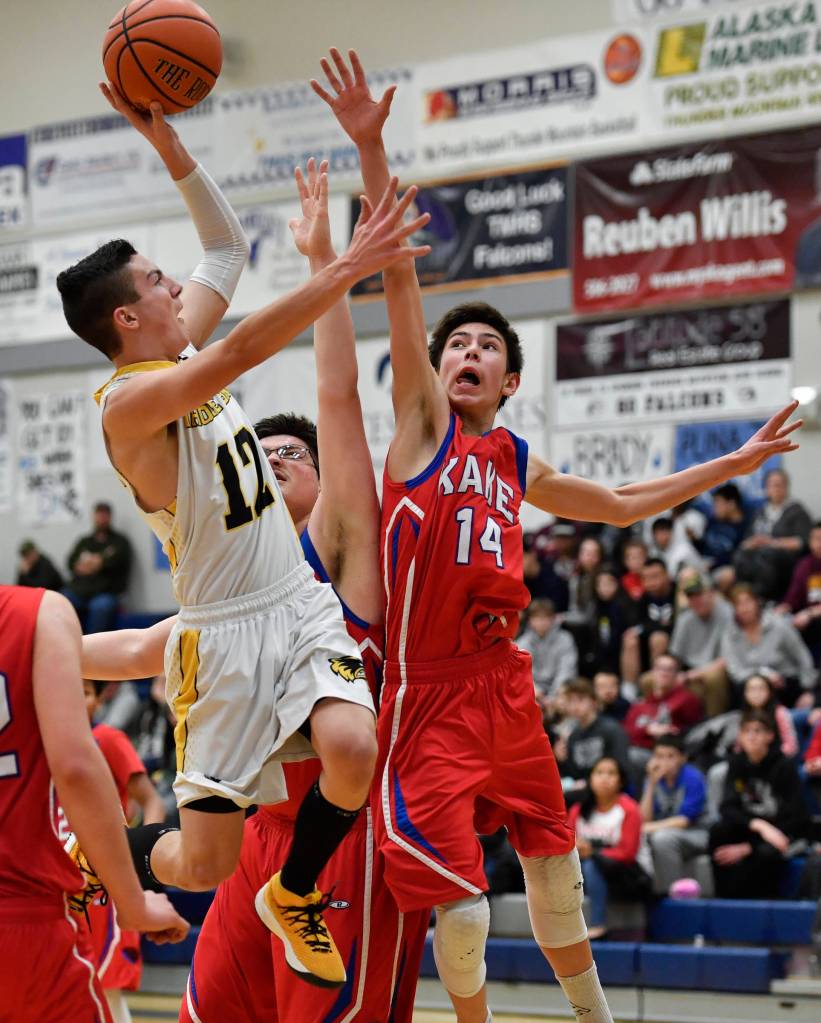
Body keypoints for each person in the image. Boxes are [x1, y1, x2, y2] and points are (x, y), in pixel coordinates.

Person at [312, 47, 800, 1023]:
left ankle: (594, 1020)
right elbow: (401, 282)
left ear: (507, 380)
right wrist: (371, 149)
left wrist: (731, 467)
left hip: (506, 690)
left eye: (484, 347)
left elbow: (619, 506)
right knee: (459, 909)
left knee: (554, 876)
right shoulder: (419, 426)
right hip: (428, 698)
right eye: (456, 344)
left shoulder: (512, 461)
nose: (464, 353)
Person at [57, 83, 429, 990]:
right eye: (155, 281)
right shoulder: (132, 404)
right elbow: (238, 356)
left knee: (351, 750)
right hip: (218, 636)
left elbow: (226, 245)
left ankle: (295, 889)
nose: (176, 284)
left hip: (294, 604)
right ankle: (89, 853)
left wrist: (169, 146)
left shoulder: (173, 345)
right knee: (205, 864)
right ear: (126, 319)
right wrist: (341, 271)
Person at [0, 586, 188, 1023]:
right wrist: (134, 902)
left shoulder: (110, 738)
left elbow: (138, 649)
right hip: (24, 914)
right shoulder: (36, 615)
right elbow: (78, 770)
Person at [80, 680, 166, 1023]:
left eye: (85, 691)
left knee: (104, 983)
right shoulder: (43, 739)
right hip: (59, 878)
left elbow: (153, 803)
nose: (73, 696)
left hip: (101, 877)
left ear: (102, 699)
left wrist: (140, 864)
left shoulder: (109, 740)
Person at [709, 709, 809, 899]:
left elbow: (797, 817)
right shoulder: (736, 763)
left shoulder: (784, 766)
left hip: (783, 832)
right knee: (718, 832)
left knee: (766, 853)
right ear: (739, 736)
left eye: (758, 731)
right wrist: (759, 826)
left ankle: (764, 905)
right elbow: (727, 807)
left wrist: (750, 847)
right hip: (757, 829)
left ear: (770, 736)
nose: (752, 737)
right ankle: (721, 900)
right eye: (747, 731)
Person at [567, 758, 653, 941]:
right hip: (591, 865)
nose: (604, 778)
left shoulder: (629, 810)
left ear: (621, 781)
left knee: (592, 865)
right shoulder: (578, 809)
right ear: (590, 778)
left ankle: (598, 923)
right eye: (599, 773)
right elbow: (567, 842)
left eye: (611, 773)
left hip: (632, 874)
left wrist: (593, 853)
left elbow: (628, 854)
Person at [720, 583, 817, 708]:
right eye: (738, 604)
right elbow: (735, 671)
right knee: (747, 689)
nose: (744, 608)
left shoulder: (778, 625)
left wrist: (808, 691)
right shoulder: (729, 634)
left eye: (748, 602)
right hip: (751, 689)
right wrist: (763, 674)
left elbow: (802, 657)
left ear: (756, 602)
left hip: (786, 684)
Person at [639, 736, 708, 896]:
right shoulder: (653, 779)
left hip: (698, 832)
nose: (664, 762)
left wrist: (646, 828)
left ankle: (673, 895)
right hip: (665, 831)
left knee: (662, 838)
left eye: (670, 756)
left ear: (682, 758)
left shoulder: (693, 777)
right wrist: (651, 784)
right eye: (659, 756)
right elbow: (644, 819)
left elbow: (684, 820)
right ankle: (645, 895)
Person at [735, 468, 812, 601]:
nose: (776, 488)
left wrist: (771, 543)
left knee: (767, 555)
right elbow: (746, 540)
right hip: (758, 557)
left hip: (784, 561)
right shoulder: (760, 512)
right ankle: (745, 599)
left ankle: (762, 599)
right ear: (766, 488)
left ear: (786, 487)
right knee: (740, 555)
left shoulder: (796, 511)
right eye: (772, 485)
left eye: (780, 485)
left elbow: (802, 542)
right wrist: (752, 543)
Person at [62, 502, 133, 633]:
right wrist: (93, 564)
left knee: (100, 607)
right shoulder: (84, 541)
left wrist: (97, 564)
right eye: (99, 514)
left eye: (105, 515)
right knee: (61, 600)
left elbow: (117, 562)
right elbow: (71, 563)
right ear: (94, 516)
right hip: (80, 591)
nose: (101, 518)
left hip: (106, 593)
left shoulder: (119, 542)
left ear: (110, 517)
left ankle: (92, 648)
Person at [669, 574, 733, 717]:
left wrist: (688, 676)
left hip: (722, 672)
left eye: (699, 595)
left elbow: (727, 659)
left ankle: (714, 725)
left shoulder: (728, 614)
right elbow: (675, 657)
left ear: (712, 594)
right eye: (691, 596)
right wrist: (668, 672)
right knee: (650, 680)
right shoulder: (685, 618)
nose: (695, 600)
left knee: (714, 677)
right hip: (690, 673)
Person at [555, 678, 629, 797]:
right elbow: (574, 774)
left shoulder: (611, 729)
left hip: (608, 790)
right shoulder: (573, 735)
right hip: (583, 792)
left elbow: (622, 768)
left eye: (580, 700)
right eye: (570, 701)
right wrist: (562, 760)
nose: (575, 706)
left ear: (594, 701)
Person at [624, 654, 704, 752]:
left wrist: (670, 732)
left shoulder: (686, 699)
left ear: (677, 675)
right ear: (653, 672)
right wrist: (647, 730)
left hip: (670, 752)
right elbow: (626, 732)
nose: (664, 673)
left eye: (669, 670)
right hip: (640, 749)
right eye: (660, 668)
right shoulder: (640, 704)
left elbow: (697, 729)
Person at [621, 558, 676, 685]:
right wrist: (657, 626)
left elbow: (677, 625)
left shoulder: (677, 594)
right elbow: (636, 624)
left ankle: (656, 685)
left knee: (658, 638)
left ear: (667, 575)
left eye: (655, 576)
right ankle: (630, 690)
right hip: (646, 649)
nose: (651, 582)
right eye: (645, 578)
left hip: (673, 647)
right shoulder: (643, 598)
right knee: (630, 638)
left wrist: (651, 628)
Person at [517, 598, 578, 696]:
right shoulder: (522, 643)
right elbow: (521, 674)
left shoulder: (566, 639)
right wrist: (535, 691)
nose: (541, 622)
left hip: (561, 691)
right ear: (530, 621)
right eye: (537, 618)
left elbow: (567, 671)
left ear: (553, 619)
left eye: (545, 618)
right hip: (533, 692)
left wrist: (554, 695)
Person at [781, 520, 821, 664]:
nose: (818, 544)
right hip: (807, 620)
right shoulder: (804, 565)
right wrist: (778, 613)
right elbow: (792, 599)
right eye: (815, 539)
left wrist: (810, 613)